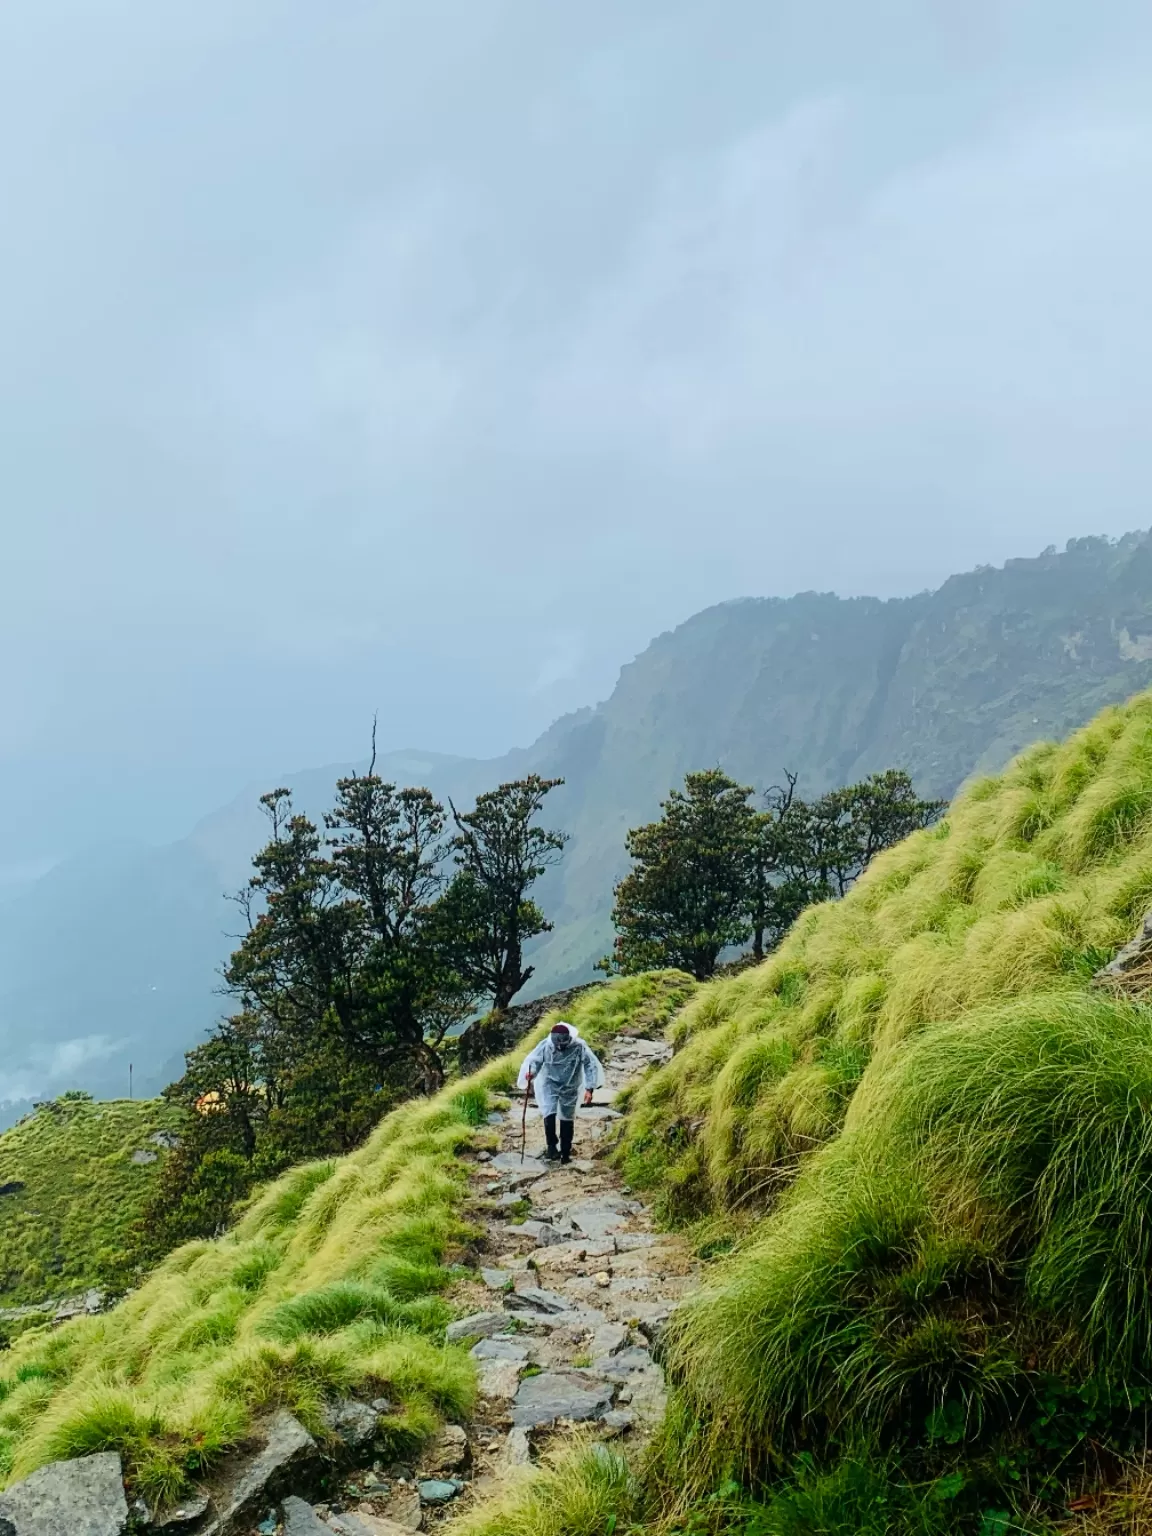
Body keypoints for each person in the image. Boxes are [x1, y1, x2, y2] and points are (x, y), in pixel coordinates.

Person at [517, 1021, 605, 1164]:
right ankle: (551, 1147)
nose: (560, 1047)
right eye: (557, 1044)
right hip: (549, 1084)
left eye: (563, 1044)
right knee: (549, 1113)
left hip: (570, 1086)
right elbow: (535, 1060)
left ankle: (565, 1151)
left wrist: (589, 1088)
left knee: (567, 1118)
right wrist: (531, 1073)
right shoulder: (546, 1045)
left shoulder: (579, 1046)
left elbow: (590, 1065)